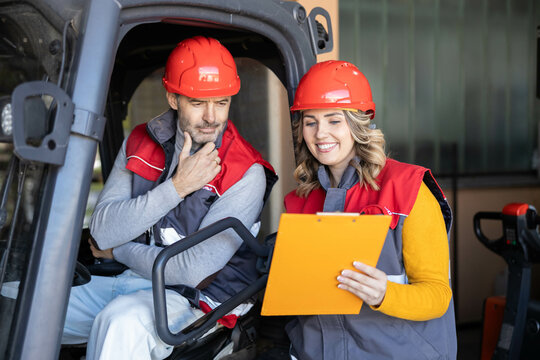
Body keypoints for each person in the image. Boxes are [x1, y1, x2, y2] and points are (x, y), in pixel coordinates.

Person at [61, 36, 277, 360]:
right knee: (27, 302)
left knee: (120, 324)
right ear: (173, 98)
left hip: (196, 298)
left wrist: (118, 250)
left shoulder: (246, 173)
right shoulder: (139, 141)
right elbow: (102, 231)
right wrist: (176, 187)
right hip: (130, 277)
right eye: (198, 102)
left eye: (221, 102)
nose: (211, 117)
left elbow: (193, 271)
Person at [283, 60, 457, 359]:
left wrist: (384, 295)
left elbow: (437, 295)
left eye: (334, 120)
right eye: (310, 121)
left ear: (357, 122)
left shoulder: (407, 189)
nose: (320, 133)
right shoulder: (299, 202)